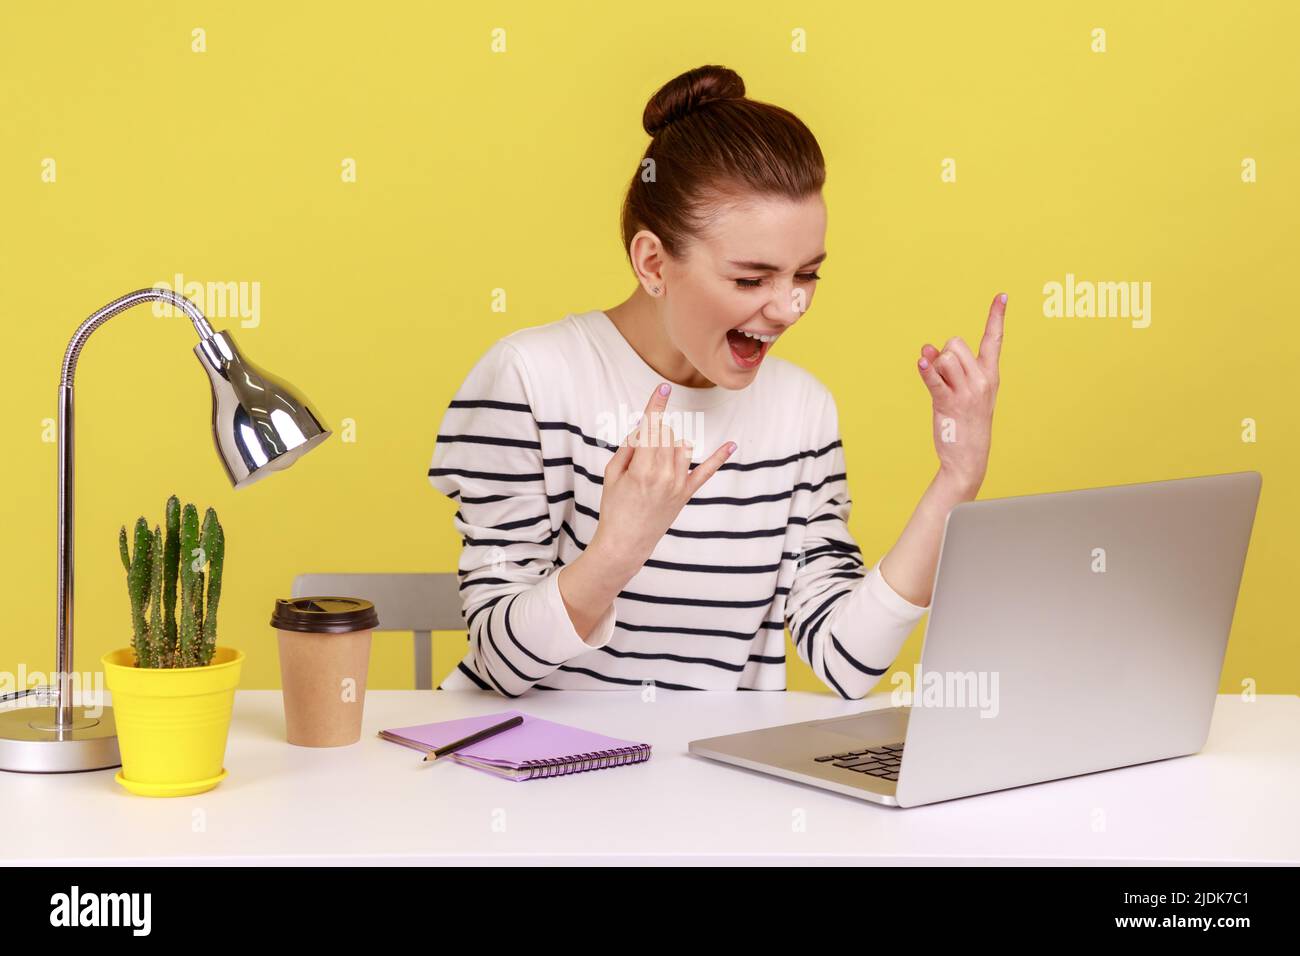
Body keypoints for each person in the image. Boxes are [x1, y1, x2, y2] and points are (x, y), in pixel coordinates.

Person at [428, 64, 1006, 697]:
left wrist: (957, 478)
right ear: (653, 262)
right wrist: (618, 548)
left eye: (807, 275)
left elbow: (847, 660)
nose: (789, 308)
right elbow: (503, 665)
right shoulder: (529, 379)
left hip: (712, 785)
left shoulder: (801, 410)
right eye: (751, 280)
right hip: (528, 769)